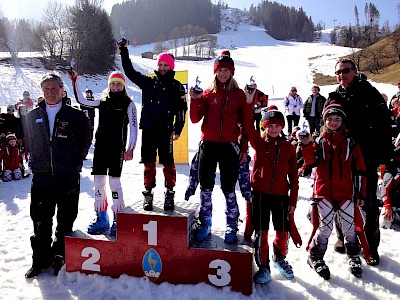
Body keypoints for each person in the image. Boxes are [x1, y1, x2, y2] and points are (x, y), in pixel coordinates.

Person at [325, 58, 394, 266]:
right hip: (342, 159)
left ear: (355, 71)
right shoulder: (335, 96)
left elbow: (385, 126)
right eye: (338, 72)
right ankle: (342, 238)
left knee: (370, 204)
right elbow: (326, 125)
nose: (342, 75)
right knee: (340, 200)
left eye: (346, 71)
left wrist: (385, 156)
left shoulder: (369, 93)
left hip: (367, 157)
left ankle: (371, 247)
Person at [24, 73, 91, 278]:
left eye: (54, 89)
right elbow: (29, 141)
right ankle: (40, 259)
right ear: (42, 91)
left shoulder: (76, 115)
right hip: (42, 176)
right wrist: (37, 161)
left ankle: (60, 257)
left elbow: (85, 141)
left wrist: (74, 162)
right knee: (40, 218)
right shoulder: (32, 115)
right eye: (47, 89)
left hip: (67, 176)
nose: (51, 93)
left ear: (62, 90)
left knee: (65, 218)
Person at [189, 51, 254, 244]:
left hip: (229, 147)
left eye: (227, 70)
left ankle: (231, 224)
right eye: (220, 70)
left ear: (232, 71)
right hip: (208, 146)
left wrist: (243, 148)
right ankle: (206, 223)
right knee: (206, 187)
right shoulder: (208, 94)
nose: (223, 73)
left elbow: (247, 123)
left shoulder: (239, 94)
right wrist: (194, 100)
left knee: (228, 187)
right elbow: (194, 119)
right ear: (215, 71)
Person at [300, 102, 367, 279]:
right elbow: (311, 163)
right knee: (325, 228)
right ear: (324, 121)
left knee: (350, 227)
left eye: (338, 119)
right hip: (323, 193)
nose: (334, 122)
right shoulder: (319, 141)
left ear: (343, 121)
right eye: (330, 119)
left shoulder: (351, 142)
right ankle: (315, 257)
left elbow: (360, 169)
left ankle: (353, 255)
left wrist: (360, 193)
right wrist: (306, 145)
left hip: (346, 192)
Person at [118, 42, 187, 212]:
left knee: (168, 164)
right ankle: (148, 194)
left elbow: (182, 110)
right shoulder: (148, 82)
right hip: (148, 130)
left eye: (166, 65)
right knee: (148, 164)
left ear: (171, 67)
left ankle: (169, 194)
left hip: (166, 131)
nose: (163, 68)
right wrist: (124, 51)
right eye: (161, 64)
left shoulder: (176, 86)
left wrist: (178, 129)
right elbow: (129, 72)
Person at [68, 70, 138, 236]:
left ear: (123, 85)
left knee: (114, 184)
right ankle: (102, 218)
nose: (115, 87)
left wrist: (131, 148)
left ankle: (118, 219)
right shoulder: (103, 101)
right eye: (112, 84)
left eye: (118, 84)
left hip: (117, 148)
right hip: (101, 148)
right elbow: (82, 100)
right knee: (98, 182)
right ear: (109, 85)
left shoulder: (129, 104)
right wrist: (75, 80)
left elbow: (134, 128)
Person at [245, 106, 299, 284]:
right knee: (261, 233)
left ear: (282, 127)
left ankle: (279, 259)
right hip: (260, 194)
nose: (274, 129)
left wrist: (293, 200)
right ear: (264, 127)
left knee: (283, 233)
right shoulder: (259, 143)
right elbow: (247, 125)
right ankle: (263, 267)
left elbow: (294, 176)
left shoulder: (289, 148)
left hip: (281, 196)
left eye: (277, 126)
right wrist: (248, 102)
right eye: (270, 126)